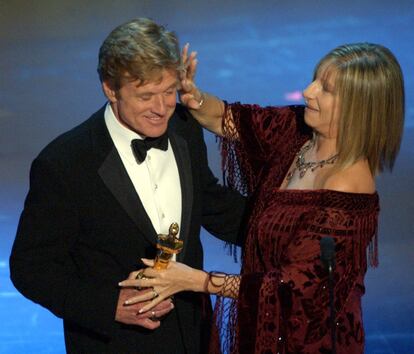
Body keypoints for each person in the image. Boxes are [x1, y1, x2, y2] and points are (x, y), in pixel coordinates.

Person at [120, 43, 405, 354]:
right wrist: (194, 96)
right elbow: (228, 119)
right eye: (315, 79)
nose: (308, 91)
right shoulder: (297, 132)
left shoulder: (348, 187)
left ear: (358, 109)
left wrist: (198, 282)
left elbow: (293, 287)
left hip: (309, 342)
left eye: (326, 89)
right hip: (263, 327)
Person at [9, 18, 246, 354]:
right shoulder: (65, 163)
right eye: (146, 96)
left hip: (194, 336)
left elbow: (212, 204)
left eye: (168, 92)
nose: (162, 108)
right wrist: (108, 306)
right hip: (117, 343)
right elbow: (31, 268)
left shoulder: (184, 129)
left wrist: (290, 230)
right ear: (110, 88)